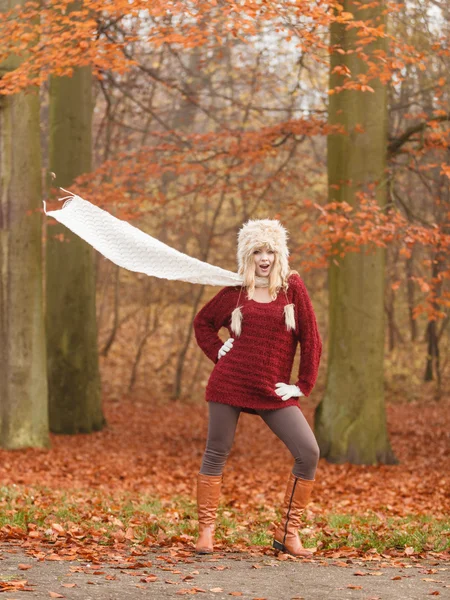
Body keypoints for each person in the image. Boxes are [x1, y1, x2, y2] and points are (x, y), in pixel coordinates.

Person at [193, 219, 322, 557]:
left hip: (272, 391)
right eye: (257, 251)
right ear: (246, 255)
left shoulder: (292, 287)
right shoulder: (235, 290)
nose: (264, 258)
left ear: (280, 253)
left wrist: (301, 386)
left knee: (308, 453)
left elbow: (311, 340)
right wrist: (216, 350)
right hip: (229, 383)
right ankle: (205, 531)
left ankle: (288, 534)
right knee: (216, 452)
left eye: (270, 251)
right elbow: (202, 323)